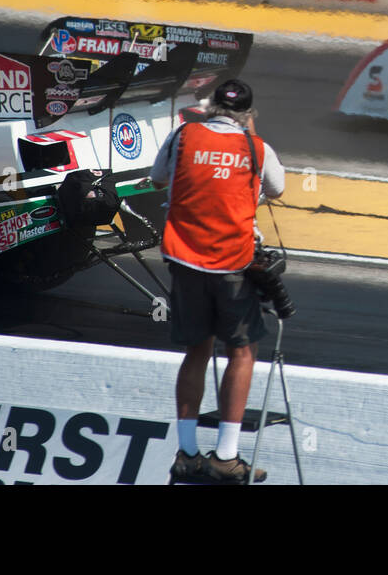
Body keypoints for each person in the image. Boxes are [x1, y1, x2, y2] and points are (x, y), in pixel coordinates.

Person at [152, 79, 286, 485]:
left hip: (185, 260)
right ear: (248, 113)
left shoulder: (182, 136)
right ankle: (226, 456)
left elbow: (157, 178)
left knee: (197, 350)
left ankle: (187, 453)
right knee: (242, 351)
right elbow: (277, 189)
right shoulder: (255, 147)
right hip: (232, 264)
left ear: (209, 108)